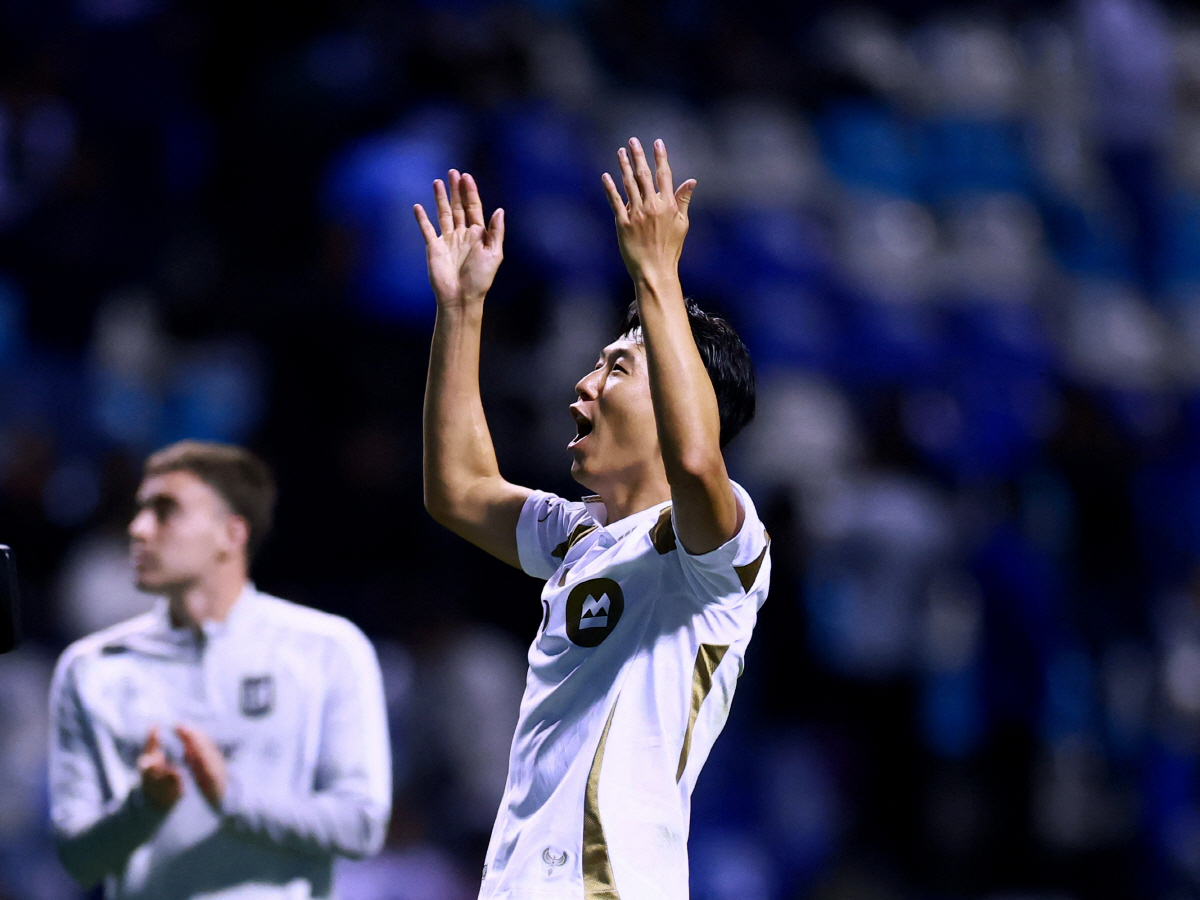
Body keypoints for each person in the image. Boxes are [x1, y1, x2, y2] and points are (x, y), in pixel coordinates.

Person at [416, 137, 770, 900]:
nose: (583, 383)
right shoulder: (582, 535)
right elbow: (460, 489)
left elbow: (699, 462)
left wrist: (657, 273)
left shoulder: (716, 553)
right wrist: (462, 309)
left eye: (616, 367)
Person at [48, 441, 391, 899]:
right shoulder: (90, 667)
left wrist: (232, 797)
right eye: (139, 511)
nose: (138, 528)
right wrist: (144, 807)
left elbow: (362, 826)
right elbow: (78, 862)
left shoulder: (326, 648)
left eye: (165, 511)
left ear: (232, 533)